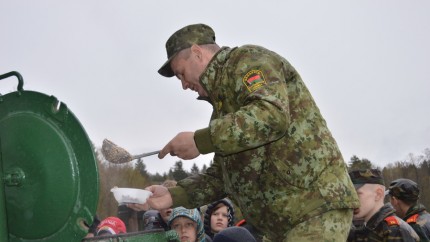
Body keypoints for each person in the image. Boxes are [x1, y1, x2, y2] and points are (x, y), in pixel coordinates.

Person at [145, 23, 359, 241]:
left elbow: (271, 114)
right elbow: (221, 177)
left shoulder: (248, 61)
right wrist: (174, 195)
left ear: (197, 52)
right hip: (280, 224)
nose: (183, 85)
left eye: (181, 74)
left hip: (314, 207)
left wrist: (200, 140)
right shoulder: (222, 111)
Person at [347, 169, 419, 241]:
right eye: (349, 195)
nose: (352, 201)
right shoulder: (362, 229)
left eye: (357, 194)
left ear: (378, 194)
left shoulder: (395, 231)